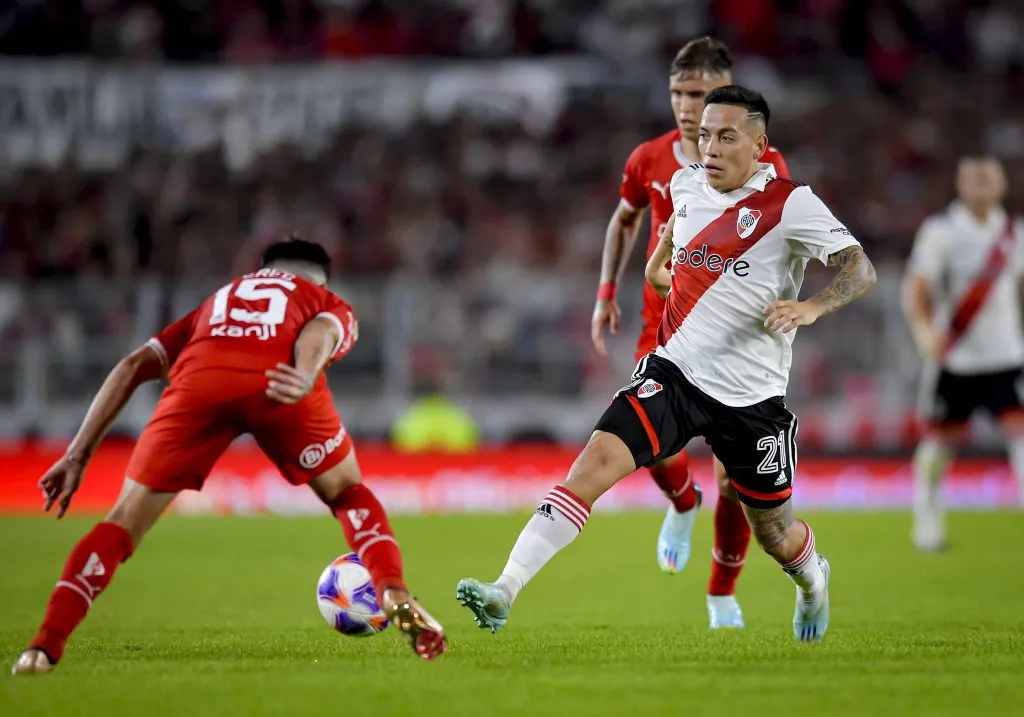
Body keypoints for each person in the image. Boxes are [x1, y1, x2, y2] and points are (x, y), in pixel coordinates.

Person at [458, 86, 876, 643]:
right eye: (705, 136)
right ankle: (505, 589)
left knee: (774, 534)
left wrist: (812, 306)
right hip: (674, 374)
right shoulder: (685, 186)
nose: (711, 148)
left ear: (759, 146)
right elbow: (660, 269)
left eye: (726, 137)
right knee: (593, 462)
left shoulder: (791, 204)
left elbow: (860, 268)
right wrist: (675, 279)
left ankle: (811, 580)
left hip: (752, 399)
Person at [12, 238, 447, 675]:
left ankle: (43, 647)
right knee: (347, 492)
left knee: (122, 523)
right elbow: (320, 331)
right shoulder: (324, 299)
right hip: (282, 382)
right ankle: (392, 591)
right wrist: (304, 373)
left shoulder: (217, 302)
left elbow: (132, 366)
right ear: (321, 280)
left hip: (200, 382)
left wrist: (76, 455)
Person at [591, 36, 790, 630]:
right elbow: (624, 219)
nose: (686, 105)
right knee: (647, 446)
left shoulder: (766, 168)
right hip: (664, 331)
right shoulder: (650, 159)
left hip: (733, 344)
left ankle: (721, 593)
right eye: (678, 92)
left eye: (700, 93)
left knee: (733, 478)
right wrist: (606, 291)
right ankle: (682, 503)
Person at [903, 156, 1024, 550]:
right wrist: (923, 330)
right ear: (960, 184)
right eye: (974, 178)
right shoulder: (941, 232)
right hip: (957, 361)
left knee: (1021, 440)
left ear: (1002, 184)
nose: (981, 184)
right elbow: (917, 288)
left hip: (1007, 359)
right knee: (938, 447)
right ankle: (927, 524)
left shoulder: (1015, 234)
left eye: (988, 178)